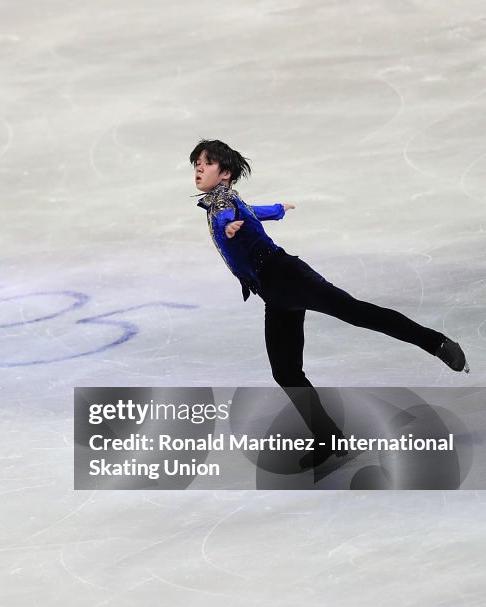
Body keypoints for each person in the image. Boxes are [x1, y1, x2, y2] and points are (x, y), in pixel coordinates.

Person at [190, 139, 468, 468]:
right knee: (286, 371)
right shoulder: (222, 198)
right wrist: (276, 210)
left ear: (225, 173)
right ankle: (329, 438)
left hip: (288, 276)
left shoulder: (222, 201)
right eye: (197, 162)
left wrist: (228, 226)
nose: (198, 167)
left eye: (206, 163)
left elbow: (228, 217)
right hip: (274, 292)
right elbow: (247, 212)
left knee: (357, 313)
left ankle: (436, 343)